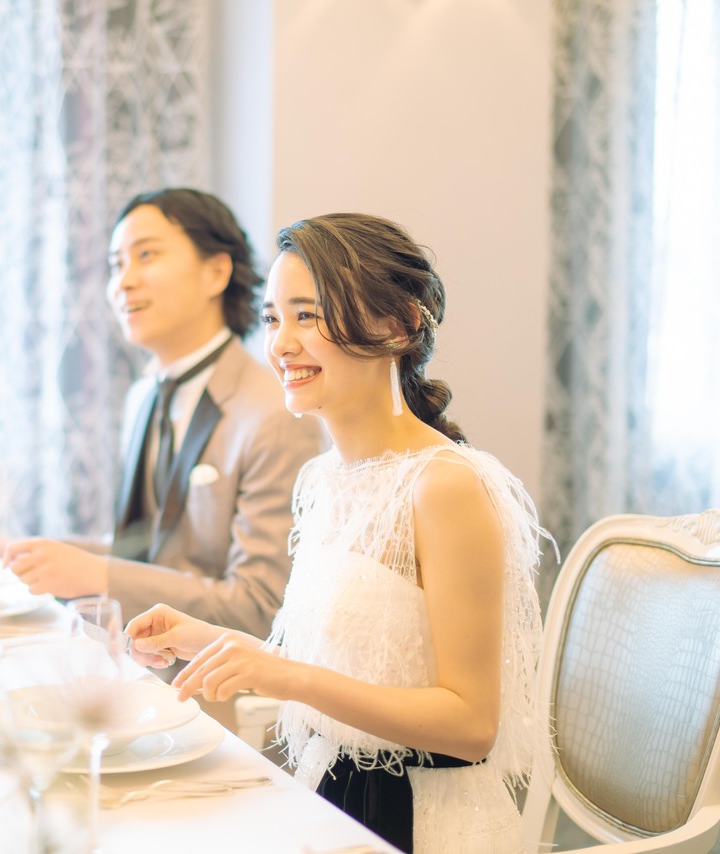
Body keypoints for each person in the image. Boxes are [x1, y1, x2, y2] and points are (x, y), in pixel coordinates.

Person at [125, 213, 547, 853]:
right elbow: (343, 666)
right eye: (273, 318)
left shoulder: (445, 486)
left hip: (419, 820)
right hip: (331, 796)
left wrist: (284, 676)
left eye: (308, 315)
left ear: (400, 325)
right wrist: (208, 640)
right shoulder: (323, 479)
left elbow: (471, 725)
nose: (282, 344)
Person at [4, 188, 324, 642]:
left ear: (216, 272)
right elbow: (153, 551)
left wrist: (99, 575)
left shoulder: (272, 413)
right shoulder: (142, 396)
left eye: (146, 255)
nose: (123, 282)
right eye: (116, 264)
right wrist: (29, 554)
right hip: (132, 656)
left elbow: (259, 608)